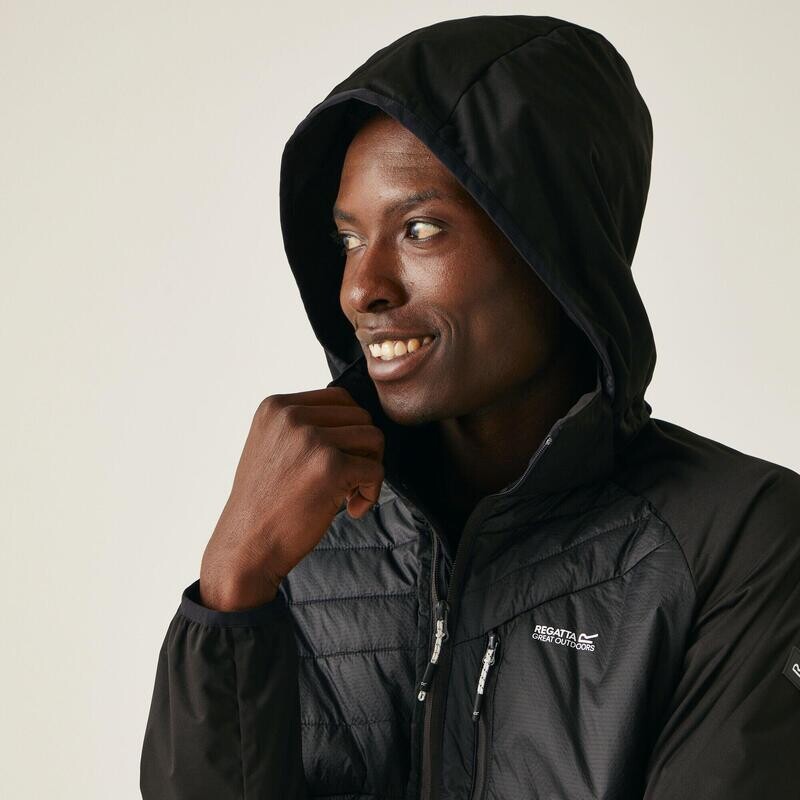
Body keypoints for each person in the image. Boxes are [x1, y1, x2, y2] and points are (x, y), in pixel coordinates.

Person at [140, 14, 800, 800]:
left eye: (419, 230)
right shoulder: (301, 531)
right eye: (349, 240)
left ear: (559, 250)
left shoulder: (740, 542)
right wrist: (231, 586)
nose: (361, 289)